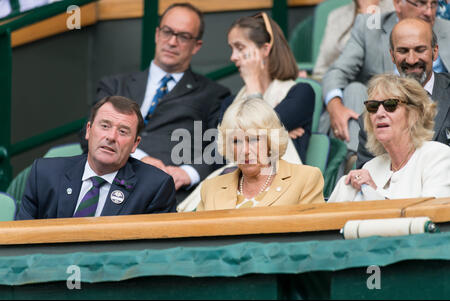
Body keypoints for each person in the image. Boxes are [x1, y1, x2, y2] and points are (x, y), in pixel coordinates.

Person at [81, 3, 231, 203]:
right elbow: (88, 134)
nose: (172, 42)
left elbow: (221, 147)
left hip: (167, 191)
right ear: (157, 34)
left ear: (197, 46)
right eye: (167, 32)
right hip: (107, 178)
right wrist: (140, 158)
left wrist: (187, 173)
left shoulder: (213, 94)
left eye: (183, 36)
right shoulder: (115, 85)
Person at [321, 0, 450, 156]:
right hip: (384, 112)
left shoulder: (447, 29)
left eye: (434, 4)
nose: (429, 12)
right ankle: (355, 160)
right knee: (354, 90)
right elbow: (337, 71)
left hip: (438, 110)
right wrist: (335, 105)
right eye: (420, 3)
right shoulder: (371, 26)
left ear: (434, 51)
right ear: (397, 4)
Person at [16, 96, 177, 220]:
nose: (111, 137)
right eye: (105, 126)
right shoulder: (45, 174)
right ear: (88, 130)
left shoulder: (155, 187)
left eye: (123, 131)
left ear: (135, 144)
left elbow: (155, 255)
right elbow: (20, 240)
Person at [328, 74, 450, 202]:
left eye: (390, 105)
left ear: (414, 115)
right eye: (373, 106)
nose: (379, 114)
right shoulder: (370, 167)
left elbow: (431, 215)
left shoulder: (439, 157)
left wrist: (375, 191)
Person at [197, 99, 324, 211]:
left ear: (270, 141)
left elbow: (311, 234)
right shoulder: (210, 188)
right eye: (237, 141)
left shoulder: (306, 179)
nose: (245, 151)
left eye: (253, 140)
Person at [221, 12, 315, 163]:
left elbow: (255, 138)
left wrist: (252, 80)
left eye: (240, 48)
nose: (233, 56)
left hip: (283, 182)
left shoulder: (301, 93)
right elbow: (221, 150)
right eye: (232, 48)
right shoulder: (229, 103)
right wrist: (273, 133)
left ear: (265, 50)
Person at [356, 18, 450, 168]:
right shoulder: (374, 114)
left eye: (420, 50)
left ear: (435, 51)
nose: (412, 60)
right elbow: (367, 174)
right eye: (403, 51)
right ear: (392, 55)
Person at [313, 0, 394, 79]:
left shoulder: (395, 9)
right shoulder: (336, 15)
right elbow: (320, 69)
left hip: (376, 86)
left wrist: (370, 11)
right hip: (332, 83)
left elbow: (378, 62)